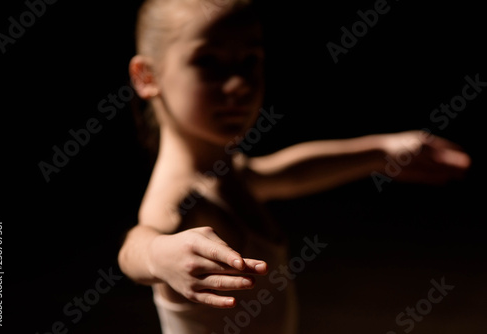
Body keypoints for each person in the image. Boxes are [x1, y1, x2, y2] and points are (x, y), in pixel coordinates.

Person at [117, 0, 471, 333]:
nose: (239, 85)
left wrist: (381, 151)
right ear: (147, 76)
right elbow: (139, 242)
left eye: (250, 61)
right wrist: (155, 254)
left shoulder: (228, 176)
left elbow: (287, 171)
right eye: (208, 62)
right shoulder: (179, 196)